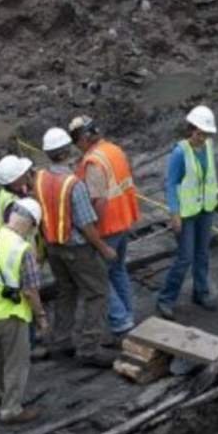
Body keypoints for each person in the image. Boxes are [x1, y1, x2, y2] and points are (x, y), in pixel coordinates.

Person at [34, 127, 117, 367]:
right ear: (67, 151)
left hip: (52, 246)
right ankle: (90, 348)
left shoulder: (40, 177)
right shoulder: (73, 184)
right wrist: (103, 248)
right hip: (77, 249)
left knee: (66, 291)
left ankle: (62, 341)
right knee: (97, 292)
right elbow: (86, 225)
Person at [0, 198, 48, 424]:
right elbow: (30, 291)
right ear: (31, 224)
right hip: (9, 314)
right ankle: (11, 410)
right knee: (16, 361)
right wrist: (41, 317)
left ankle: (5, 394)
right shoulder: (22, 249)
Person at [69, 115, 140, 340]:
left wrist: (93, 232)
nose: (76, 146)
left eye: (76, 140)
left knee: (100, 279)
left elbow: (97, 199)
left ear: (84, 138)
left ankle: (120, 322)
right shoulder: (114, 150)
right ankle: (128, 316)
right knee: (118, 271)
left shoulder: (93, 162)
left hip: (107, 227)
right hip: (124, 219)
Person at [155, 105, 218, 320]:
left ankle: (201, 293)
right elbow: (172, 184)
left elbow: (207, 177)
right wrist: (174, 213)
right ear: (191, 129)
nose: (202, 138)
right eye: (199, 133)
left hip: (205, 209)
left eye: (205, 134)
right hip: (186, 213)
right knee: (185, 258)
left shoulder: (208, 147)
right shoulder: (180, 153)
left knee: (202, 253)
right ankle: (166, 299)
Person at [0, 155, 34, 227]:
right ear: (16, 180)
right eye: (23, 173)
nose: (26, 174)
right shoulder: (14, 206)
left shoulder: (5, 191)